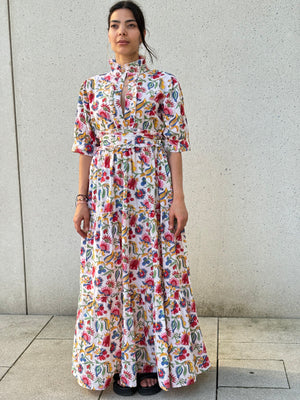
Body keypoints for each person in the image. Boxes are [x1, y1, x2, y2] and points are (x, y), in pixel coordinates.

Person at [72, 0, 210, 396]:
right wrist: (81, 199)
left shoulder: (165, 84)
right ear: (108, 33)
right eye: (114, 25)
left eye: (130, 25)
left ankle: (151, 362)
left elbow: (174, 144)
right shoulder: (91, 87)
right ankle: (117, 362)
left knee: (154, 272)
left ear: (142, 34)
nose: (122, 32)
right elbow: (85, 146)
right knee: (109, 274)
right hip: (106, 194)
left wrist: (178, 199)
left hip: (151, 192)